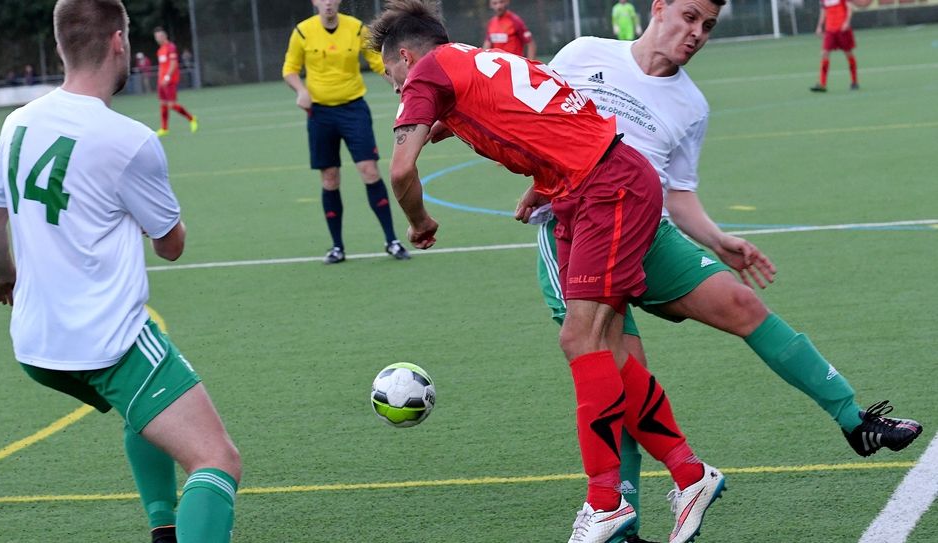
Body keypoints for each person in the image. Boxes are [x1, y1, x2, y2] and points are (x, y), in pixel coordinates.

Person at [534, 0, 922, 538]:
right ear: (659, 7)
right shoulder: (583, 55)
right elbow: (531, 120)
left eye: (709, 26)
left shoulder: (691, 104)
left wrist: (719, 240)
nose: (698, 32)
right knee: (620, 379)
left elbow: (678, 192)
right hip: (579, 236)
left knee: (743, 303)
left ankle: (855, 420)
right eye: (690, 17)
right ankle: (623, 525)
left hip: (649, 233)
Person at [369, 2, 724, 542]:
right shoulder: (474, 58)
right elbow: (533, 111)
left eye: (390, 72)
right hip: (583, 187)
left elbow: (400, 171)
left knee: (580, 338)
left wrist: (420, 221)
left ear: (405, 55)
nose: (395, 85)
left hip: (606, 187)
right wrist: (531, 172)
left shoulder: (426, 73)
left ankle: (605, 503)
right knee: (607, 348)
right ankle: (689, 474)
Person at [0, 2, 241, 542]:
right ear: (119, 42)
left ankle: (164, 528)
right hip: (107, 343)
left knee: (146, 411)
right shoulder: (128, 139)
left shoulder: (17, 122)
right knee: (217, 459)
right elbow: (170, 246)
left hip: (36, 346)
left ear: (59, 46)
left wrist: (4, 278)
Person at [283, 0, 410, 264]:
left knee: (370, 171)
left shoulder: (356, 29)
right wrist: (301, 91)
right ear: (315, 2)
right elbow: (290, 70)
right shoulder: (303, 32)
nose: (328, 2)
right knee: (330, 178)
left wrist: (403, 85)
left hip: (353, 110)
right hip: (320, 114)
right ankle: (337, 247)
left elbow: (378, 63)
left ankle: (392, 240)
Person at [154, 27, 197, 136]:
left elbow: (173, 64)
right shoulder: (160, 50)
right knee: (163, 104)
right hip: (161, 81)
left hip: (170, 81)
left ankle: (191, 118)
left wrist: (167, 77)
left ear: (165, 36)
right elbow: (162, 66)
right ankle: (164, 128)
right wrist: (160, 79)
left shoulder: (171, 47)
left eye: (160, 36)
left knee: (171, 105)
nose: (158, 38)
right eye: (156, 37)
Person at [811, 0, 858, 92]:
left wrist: (847, 22)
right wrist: (819, 26)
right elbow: (823, 11)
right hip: (830, 30)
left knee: (848, 53)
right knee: (824, 53)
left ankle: (854, 81)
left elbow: (850, 8)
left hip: (842, 29)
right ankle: (822, 84)